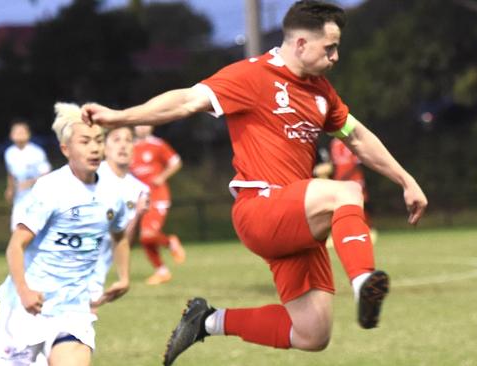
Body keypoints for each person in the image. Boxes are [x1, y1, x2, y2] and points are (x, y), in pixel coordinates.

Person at [81, 1, 427, 364]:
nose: (336, 56)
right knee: (348, 192)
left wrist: (405, 179)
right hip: (261, 209)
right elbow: (186, 101)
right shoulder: (251, 75)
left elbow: (357, 137)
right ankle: (364, 284)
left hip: (298, 219)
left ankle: (207, 321)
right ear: (300, 45)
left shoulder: (321, 92)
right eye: (330, 48)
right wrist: (120, 117)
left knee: (312, 333)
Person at [0, 102, 132, 365]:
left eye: (99, 141)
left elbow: (120, 235)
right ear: (66, 149)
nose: (94, 148)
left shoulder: (115, 193)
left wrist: (124, 277)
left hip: (73, 308)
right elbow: (15, 246)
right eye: (85, 141)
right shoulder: (51, 189)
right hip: (28, 304)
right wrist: (24, 292)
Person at [89, 126, 149, 311]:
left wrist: (138, 215)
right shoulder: (91, 176)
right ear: (104, 148)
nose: (123, 145)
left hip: (97, 271)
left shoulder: (138, 188)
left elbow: (124, 242)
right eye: (116, 139)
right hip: (68, 263)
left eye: (128, 140)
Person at [129, 125, 185, 285]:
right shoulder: (130, 147)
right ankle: (162, 272)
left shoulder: (158, 145)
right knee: (145, 238)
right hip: (139, 199)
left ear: (151, 126)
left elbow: (176, 162)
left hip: (157, 196)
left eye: (145, 124)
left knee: (147, 234)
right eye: (138, 125)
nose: (141, 128)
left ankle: (171, 243)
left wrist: (162, 176)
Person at [3, 120, 52, 232]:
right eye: (16, 132)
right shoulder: (9, 153)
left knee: (35, 229)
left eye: (22, 132)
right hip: (19, 197)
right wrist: (10, 188)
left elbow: (46, 174)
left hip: (36, 197)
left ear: (28, 134)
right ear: (11, 135)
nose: (19, 135)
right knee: (16, 229)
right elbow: (10, 173)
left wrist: (30, 182)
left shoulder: (36, 152)